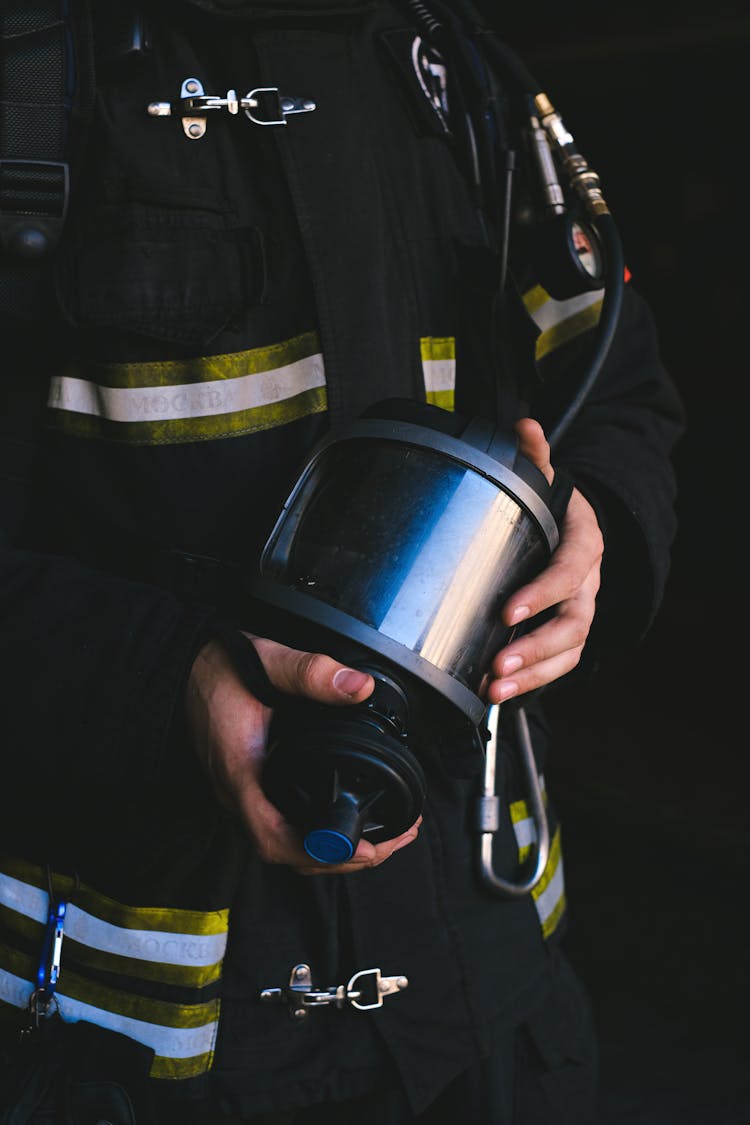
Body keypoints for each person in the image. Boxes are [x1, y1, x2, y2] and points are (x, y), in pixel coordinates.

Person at [0, 0, 684, 1121]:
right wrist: (161, 681)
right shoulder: (31, 78)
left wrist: (596, 517)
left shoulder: (459, 76)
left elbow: (614, 376)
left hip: (483, 1017)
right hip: (121, 1053)